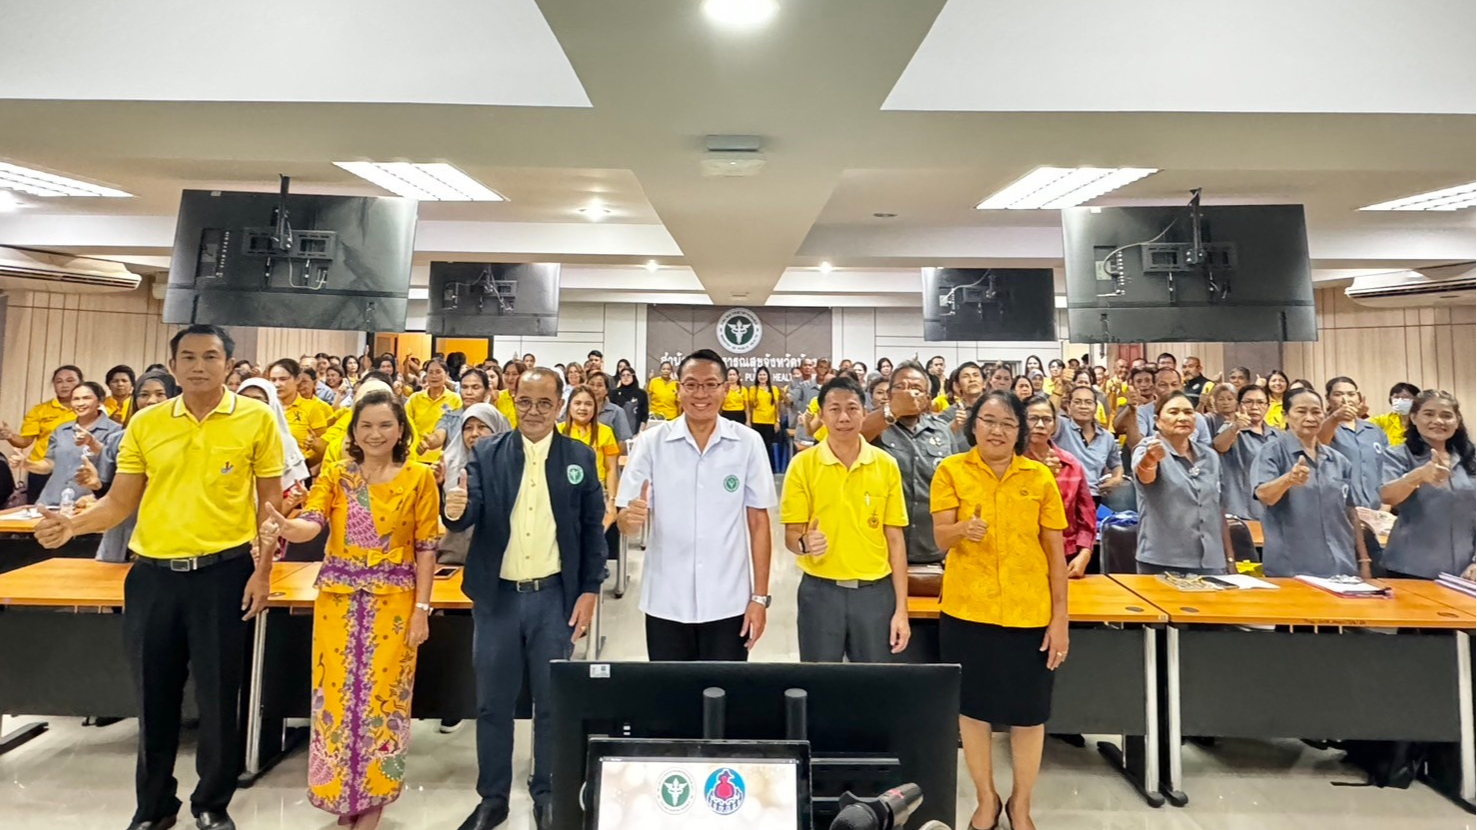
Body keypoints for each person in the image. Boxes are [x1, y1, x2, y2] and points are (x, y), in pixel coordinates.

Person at [34, 325, 283, 830]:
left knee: (218, 697)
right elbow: (120, 502)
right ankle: (154, 807)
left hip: (224, 574)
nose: (198, 366)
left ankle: (211, 804)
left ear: (228, 365)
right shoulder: (147, 424)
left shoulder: (255, 419)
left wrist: (263, 573)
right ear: (172, 367)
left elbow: (270, 509)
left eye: (210, 357)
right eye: (187, 357)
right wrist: (73, 524)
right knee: (153, 697)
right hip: (153, 577)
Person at [254, 390, 440, 830]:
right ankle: (342, 797)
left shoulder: (419, 478)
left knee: (386, 704)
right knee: (334, 701)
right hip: (338, 603)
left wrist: (422, 610)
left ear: (400, 431)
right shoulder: (336, 475)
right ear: (354, 432)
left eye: (385, 425)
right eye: (366, 426)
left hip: (394, 605)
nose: (375, 434)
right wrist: (285, 525)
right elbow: (311, 524)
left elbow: (427, 548)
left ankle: (375, 797)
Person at [442, 368, 605, 830]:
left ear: (559, 405)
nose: (534, 412)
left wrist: (591, 590)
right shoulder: (488, 453)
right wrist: (453, 511)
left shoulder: (580, 457)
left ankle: (548, 791)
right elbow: (465, 510)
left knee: (552, 704)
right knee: (493, 703)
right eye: (525, 402)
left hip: (554, 599)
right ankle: (492, 798)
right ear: (513, 401)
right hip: (498, 600)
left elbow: (592, 530)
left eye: (544, 403)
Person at [930, 390, 1068, 830]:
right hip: (968, 611)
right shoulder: (950, 471)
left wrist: (1060, 619)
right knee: (973, 712)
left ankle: (1021, 804)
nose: (997, 430)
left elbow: (1055, 554)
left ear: (1020, 432)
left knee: (1030, 716)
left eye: (1008, 423)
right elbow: (939, 538)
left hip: (1030, 614)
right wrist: (962, 530)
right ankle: (986, 799)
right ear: (973, 425)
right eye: (989, 420)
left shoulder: (1040, 478)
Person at [617, 349, 776, 661]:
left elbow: (759, 524)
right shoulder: (652, 443)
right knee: (671, 699)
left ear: (726, 389)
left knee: (725, 697)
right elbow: (624, 517)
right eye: (691, 385)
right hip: (666, 599)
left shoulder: (747, 442)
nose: (700, 394)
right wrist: (629, 521)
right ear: (678, 390)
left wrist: (759, 597)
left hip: (729, 600)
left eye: (710, 385)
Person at [780, 376, 909, 663]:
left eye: (852, 408)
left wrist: (901, 609)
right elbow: (791, 535)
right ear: (822, 416)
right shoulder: (803, 465)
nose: (844, 417)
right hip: (821, 592)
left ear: (864, 413)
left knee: (873, 685)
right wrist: (804, 543)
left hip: (875, 594)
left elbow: (895, 540)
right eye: (834, 409)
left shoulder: (885, 464)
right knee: (820, 685)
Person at [1253, 389, 1370, 579]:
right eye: (1301, 411)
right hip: (1292, 567)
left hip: (1342, 565)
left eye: (1316, 412)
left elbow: (1350, 512)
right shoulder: (1271, 452)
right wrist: (1288, 479)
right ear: (1285, 415)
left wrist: (1364, 560)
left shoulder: (1338, 460)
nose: (1310, 417)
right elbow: (1264, 496)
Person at [854, 361, 954, 566]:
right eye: (900, 387)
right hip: (881, 548)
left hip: (933, 548)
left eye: (916, 388)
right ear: (889, 395)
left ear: (928, 398)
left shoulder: (942, 431)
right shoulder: (876, 426)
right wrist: (893, 411)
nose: (908, 393)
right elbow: (852, 440)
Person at [1133, 392, 1234, 575]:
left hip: (1211, 562)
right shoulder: (1147, 448)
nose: (1182, 417)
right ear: (1157, 420)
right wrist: (1150, 459)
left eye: (1188, 412)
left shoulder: (1210, 456)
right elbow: (1145, 475)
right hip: (1163, 562)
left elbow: (1218, 509)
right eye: (1174, 412)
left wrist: (1229, 558)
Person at [1379, 390, 1476, 580]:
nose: (1438, 421)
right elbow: (1387, 495)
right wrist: (1417, 476)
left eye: (1446, 415)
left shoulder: (1471, 459)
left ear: (1457, 421)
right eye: (1429, 414)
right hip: (1411, 567)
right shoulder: (1398, 455)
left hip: (1465, 570)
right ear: (1414, 418)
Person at [92, 371, 179, 563]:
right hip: (124, 530)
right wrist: (95, 484)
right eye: (144, 394)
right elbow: (106, 494)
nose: (151, 401)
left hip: (170, 529)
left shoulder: (188, 438)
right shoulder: (118, 440)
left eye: (160, 394)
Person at [1023, 396, 1095, 578]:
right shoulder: (1011, 463)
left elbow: (1087, 516)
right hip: (1022, 556)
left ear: (1054, 426)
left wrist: (1084, 553)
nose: (1040, 425)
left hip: (1066, 556)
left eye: (1046, 419)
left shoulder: (1071, 464)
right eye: (1033, 418)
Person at [30, 381, 123, 508]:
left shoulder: (116, 431)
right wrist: (26, 464)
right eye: (75, 399)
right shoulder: (61, 430)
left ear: (100, 401)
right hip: (50, 501)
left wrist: (92, 442)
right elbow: (50, 464)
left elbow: (112, 464)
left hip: (88, 503)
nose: (80, 403)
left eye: (86, 398)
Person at [2, 364, 82, 503]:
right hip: (41, 469)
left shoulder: (88, 409)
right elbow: (25, 441)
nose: (64, 385)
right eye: (59, 381)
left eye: (70, 381)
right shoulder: (40, 410)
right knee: (38, 511)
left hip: (75, 470)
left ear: (80, 383)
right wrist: (9, 435)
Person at [1318, 376, 1390, 511]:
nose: (1346, 399)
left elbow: (1388, 470)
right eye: (1338, 394)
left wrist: (1385, 508)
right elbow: (1319, 445)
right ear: (1328, 399)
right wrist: (1334, 418)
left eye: (1351, 394)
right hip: (1339, 511)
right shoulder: (1324, 427)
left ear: (1359, 398)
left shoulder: (1375, 431)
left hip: (1377, 510)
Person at [1054, 384, 1124, 507]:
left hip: (1093, 497)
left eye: (1088, 402)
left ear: (1096, 408)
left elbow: (1116, 464)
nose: (1083, 406)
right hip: (1062, 495)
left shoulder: (1107, 437)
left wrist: (1116, 478)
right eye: (1077, 402)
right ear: (1069, 407)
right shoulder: (1061, 427)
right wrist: (1060, 387)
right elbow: (1048, 414)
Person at [1213, 384, 1276, 520]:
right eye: (1248, 402)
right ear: (1238, 405)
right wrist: (1235, 427)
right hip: (1240, 512)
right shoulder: (1231, 428)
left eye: (1260, 402)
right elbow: (1218, 446)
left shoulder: (1277, 436)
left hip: (1271, 513)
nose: (1254, 407)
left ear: (1268, 406)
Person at [561, 385, 622, 523]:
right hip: (564, 493)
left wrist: (612, 501)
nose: (582, 408)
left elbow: (611, 469)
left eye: (588, 404)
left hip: (597, 492)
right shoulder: (557, 432)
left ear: (595, 408)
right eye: (577, 403)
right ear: (569, 406)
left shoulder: (605, 432)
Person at [269, 358, 329, 467]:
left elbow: (323, 448)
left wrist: (303, 463)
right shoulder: (266, 408)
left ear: (297, 379)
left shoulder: (312, 408)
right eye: (273, 380)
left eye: (283, 379)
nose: (277, 384)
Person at [406, 359, 462, 465]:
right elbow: (406, 425)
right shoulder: (415, 398)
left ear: (447, 375)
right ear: (426, 376)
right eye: (430, 372)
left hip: (443, 458)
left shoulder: (455, 399)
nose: (434, 376)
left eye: (438, 372)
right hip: (417, 456)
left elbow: (456, 430)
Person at [747, 366, 784, 469]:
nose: (762, 377)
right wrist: (749, 421)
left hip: (770, 421)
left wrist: (777, 421)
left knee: (768, 446)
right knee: (757, 446)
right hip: (757, 421)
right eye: (760, 375)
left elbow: (777, 406)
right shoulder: (753, 389)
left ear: (768, 376)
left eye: (764, 374)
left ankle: (769, 469)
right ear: (757, 376)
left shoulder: (774, 389)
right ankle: (756, 468)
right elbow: (750, 407)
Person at [1370, 382, 1420, 447]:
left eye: (1406, 397)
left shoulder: (1422, 420)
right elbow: (1365, 426)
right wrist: (1361, 415)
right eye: (1396, 397)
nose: (1400, 400)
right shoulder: (1387, 419)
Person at [610, 365, 649, 432]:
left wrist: (640, 432)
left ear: (633, 376)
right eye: (623, 375)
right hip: (617, 431)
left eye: (628, 375)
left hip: (636, 431)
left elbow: (644, 415)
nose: (625, 377)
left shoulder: (641, 394)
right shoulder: (614, 393)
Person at [497, 361, 525, 428]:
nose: (510, 378)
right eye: (507, 374)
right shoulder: (497, 397)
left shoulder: (530, 397)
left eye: (514, 374)